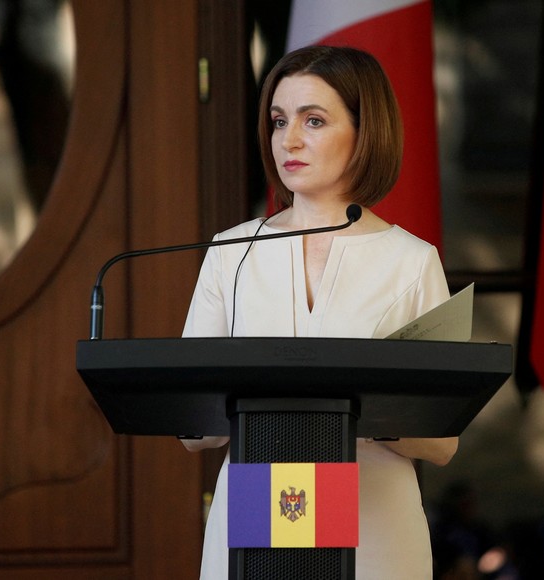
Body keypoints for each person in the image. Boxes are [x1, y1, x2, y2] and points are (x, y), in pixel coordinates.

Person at [181, 45, 458, 580]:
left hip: (373, 526)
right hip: (255, 515)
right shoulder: (230, 253)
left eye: (313, 120)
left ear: (364, 132)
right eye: (278, 120)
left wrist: (351, 409)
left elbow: (442, 441)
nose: (289, 140)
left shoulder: (412, 261)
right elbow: (194, 428)